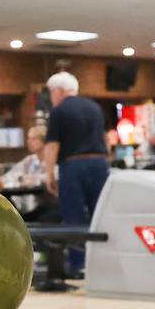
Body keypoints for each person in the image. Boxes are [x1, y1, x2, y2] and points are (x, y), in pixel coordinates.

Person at [41, 71, 107, 276]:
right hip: (100, 164)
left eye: (51, 92)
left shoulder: (59, 110)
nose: (51, 97)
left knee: (73, 215)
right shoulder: (95, 107)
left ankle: (79, 264)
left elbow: (52, 146)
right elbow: (107, 139)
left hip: (73, 165)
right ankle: (103, 260)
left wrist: (49, 174)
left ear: (58, 91)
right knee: (100, 214)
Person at [6, 125, 54, 217]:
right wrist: (21, 178)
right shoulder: (29, 160)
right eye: (28, 138)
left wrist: (33, 179)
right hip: (29, 206)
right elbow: (9, 177)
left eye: (33, 139)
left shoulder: (52, 160)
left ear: (44, 140)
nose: (29, 142)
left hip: (49, 206)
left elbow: (55, 177)